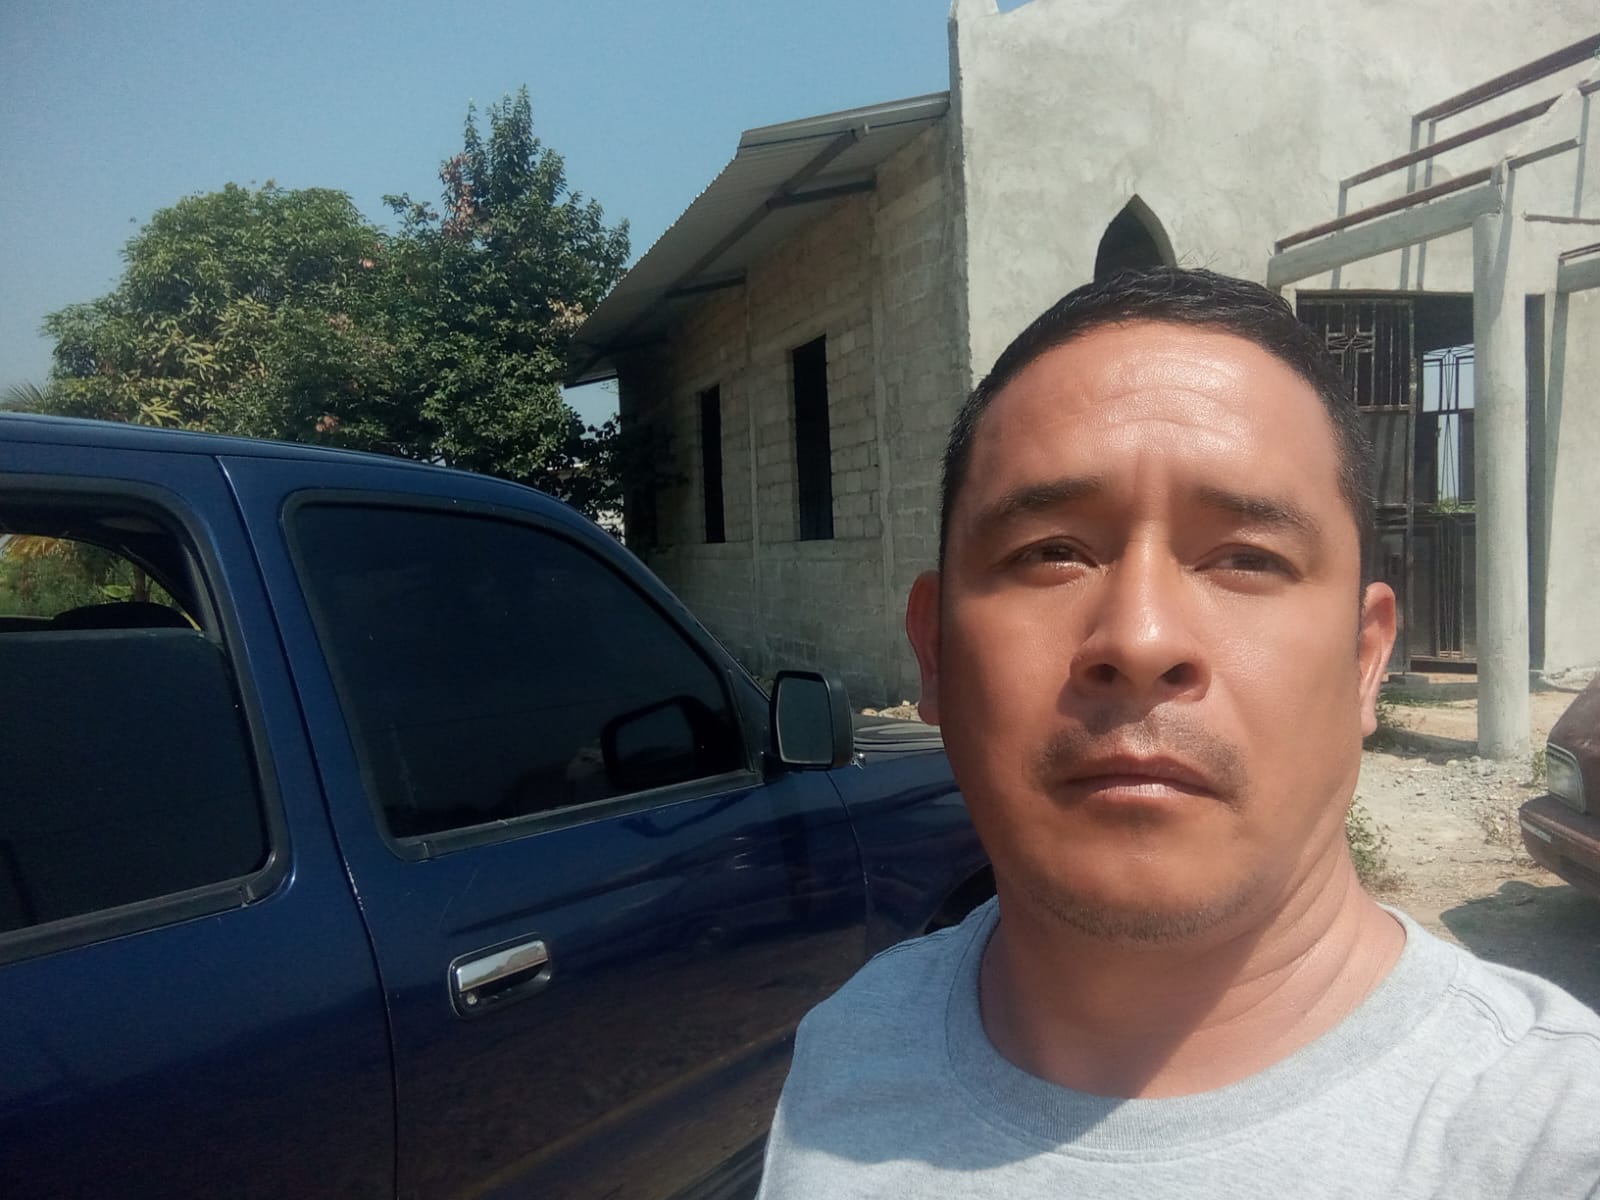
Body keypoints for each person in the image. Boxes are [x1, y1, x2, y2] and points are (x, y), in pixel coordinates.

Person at [756, 268, 1600, 1198]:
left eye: (1247, 558)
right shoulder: (849, 1053)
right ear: (935, 653)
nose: (1140, 638)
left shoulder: (1551, 1140)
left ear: (1364, 661)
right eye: (1051, 553)